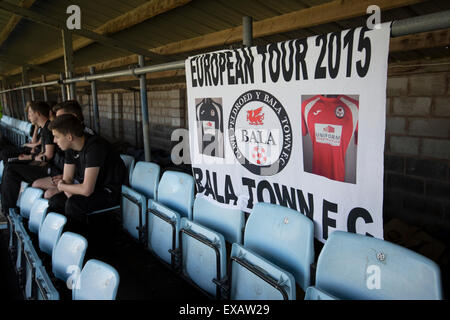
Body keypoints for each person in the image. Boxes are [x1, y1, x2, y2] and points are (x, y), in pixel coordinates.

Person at [47, 114, 125, 232]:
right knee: (55, 201)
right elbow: (68, 179)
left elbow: (86, 190)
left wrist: (63, 187)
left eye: (56, 136)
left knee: (74, 205)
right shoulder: (69, 148)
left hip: (109, 192)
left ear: (69, 137)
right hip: (92, 189)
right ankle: (57, 241)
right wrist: (68, 191)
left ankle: (81, 244)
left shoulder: (95, 147)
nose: (54, 141)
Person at [1, 101, 56, 213]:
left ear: (38, 113)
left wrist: (30, 158)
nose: (28, 115)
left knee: (11, 169)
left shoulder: (48, 129)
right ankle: (7, 205)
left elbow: (48, 155)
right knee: (10, 165)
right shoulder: (45, 128)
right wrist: (31, 157)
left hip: (49, 169)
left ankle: (7, 210)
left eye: (31, 112)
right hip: (42, 164)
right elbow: (42, 151)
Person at [32, 100, 94, 199]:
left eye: (60, 118)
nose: (56, 121)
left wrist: (64, 184)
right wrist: (65, 180)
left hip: (81, 182)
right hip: (68, 176)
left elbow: (87, 185)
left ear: (73, 117)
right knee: (36, 184)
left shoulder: (88, 140)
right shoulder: (66, 140)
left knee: (50, 195)